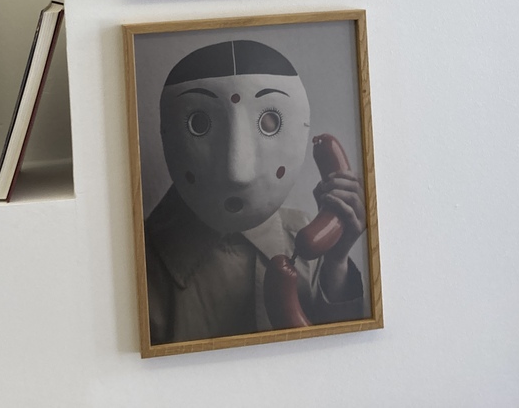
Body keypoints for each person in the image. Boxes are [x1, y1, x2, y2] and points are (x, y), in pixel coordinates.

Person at [144, 39, 367, 345]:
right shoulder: (138, 265)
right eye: (200, 123)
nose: (238, 172)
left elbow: (344, 357)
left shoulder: (308, 240)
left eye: (269, 122)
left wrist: (337, 262)